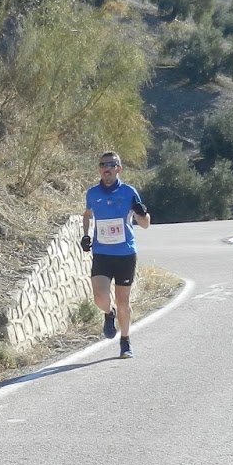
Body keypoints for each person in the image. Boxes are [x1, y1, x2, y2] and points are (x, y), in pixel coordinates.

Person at [80, 151, 150, 358]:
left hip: (125, 253)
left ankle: (125, 341)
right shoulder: (92, 193)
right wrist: (86, 235)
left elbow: (145, 224)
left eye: (111, 164)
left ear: (119, 168)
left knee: (123, 302)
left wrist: (141, 212)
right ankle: (108, 314)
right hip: (102, 252)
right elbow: (87, 215)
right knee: (99, 297)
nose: (106, 168)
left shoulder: (129, 192)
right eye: (103, 165)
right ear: (99, 169)